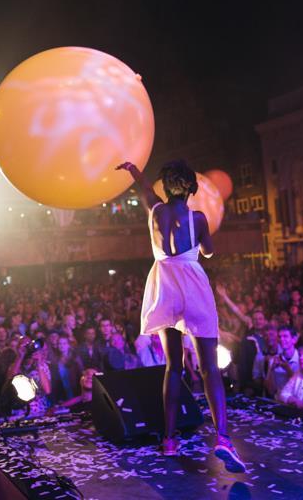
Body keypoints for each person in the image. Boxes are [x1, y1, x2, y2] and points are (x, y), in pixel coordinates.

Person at [117, 160, 244, 471]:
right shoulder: (197, 218)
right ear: (190, 188)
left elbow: (145, 189)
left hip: (164, 285)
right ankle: (223, 438)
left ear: (167, 187)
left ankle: (170, 440)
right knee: (209, 368)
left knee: (173, 366)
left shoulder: (155, 212)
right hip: (192, 284)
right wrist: (201, 237)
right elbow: (210, 251)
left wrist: (134, 170)